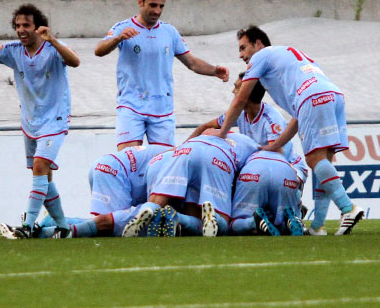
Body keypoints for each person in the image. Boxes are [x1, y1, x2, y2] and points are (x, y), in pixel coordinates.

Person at [218, 25, 364, 236]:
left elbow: (241, 98)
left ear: (258, 44)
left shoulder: (262, 56)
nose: (241, 55)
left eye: (243, 48)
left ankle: (347, 207)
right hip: (332, 94)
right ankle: (318, 226)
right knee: (323, 162)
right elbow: (298, 116)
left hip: (312, 97)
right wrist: (276, 144)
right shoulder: (288, 57)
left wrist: (222, 134)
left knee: (314, 159)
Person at [0, 4, 80, 239]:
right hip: (31, 122)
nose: (21, 30)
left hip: (55, 120)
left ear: (38, 28)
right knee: (43, 177)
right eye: (18, 25)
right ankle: (63, 227)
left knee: (40, 167)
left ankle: (28, 225)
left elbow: (75, 61)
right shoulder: (13, 51)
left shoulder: (52, 49)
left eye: (26, 25)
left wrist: (53, 40)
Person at [94, 0, 229, 151]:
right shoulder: (123, 28)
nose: (157, 11)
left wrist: (214, 71)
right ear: (140, 2)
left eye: (161, 6)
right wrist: (117, 39)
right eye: (152, 5)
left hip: (162, 110)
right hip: (132, 107)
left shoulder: (169, 31)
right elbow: (98, 50)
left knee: (163, 163)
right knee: (129, 160)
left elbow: (192, 62)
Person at [123, 131, 259, 238]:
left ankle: (150, 210)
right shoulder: (251, 146)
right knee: (222, 222)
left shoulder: (210, 132)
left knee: (159, 200)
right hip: (217, 157)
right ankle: (211, 216)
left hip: (185, 150)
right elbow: (247, 176)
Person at [188, 72, 308, 192]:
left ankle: (294, 203)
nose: (233, 91)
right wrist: (183, 148)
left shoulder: (271, 118)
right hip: (259, 166)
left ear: (247, 93)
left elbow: (276, 156)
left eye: (236, 87)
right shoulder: (238, 113)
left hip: (289, 167)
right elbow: (204, 127)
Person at [40, 145, 167, 238]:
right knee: (110, 228)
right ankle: (45, 233)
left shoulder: (174, 154)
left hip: (106, 165)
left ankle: (52, 222)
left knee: (105, 224)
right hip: (114, 171)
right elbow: (157, 204)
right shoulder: (177, 162)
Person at [230, 151, 305, 236]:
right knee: (279, 218)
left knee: (235, 223)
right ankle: (290, 220)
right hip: (284, 171)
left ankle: (253, 222)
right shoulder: (292, 154)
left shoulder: (250, 147)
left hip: (254, 171)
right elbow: (299, 179)